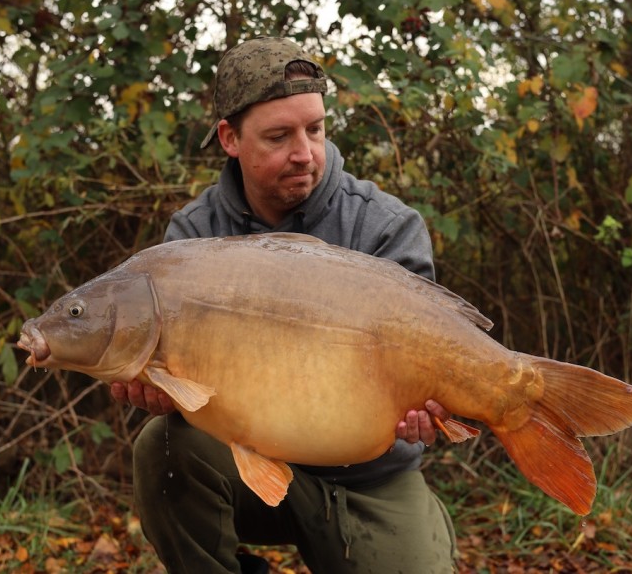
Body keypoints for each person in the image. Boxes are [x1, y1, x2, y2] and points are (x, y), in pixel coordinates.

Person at [111, 37, 457, 573]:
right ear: (230, 137)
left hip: (373, 479)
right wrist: (161, 387)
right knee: (162, 447)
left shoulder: (385, 226)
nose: (305, 153)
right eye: (279, 136)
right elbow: (185, 390)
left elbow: (429, 367)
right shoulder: (193, 239)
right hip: (247, 471)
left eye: (314, 129)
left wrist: (431, 408)